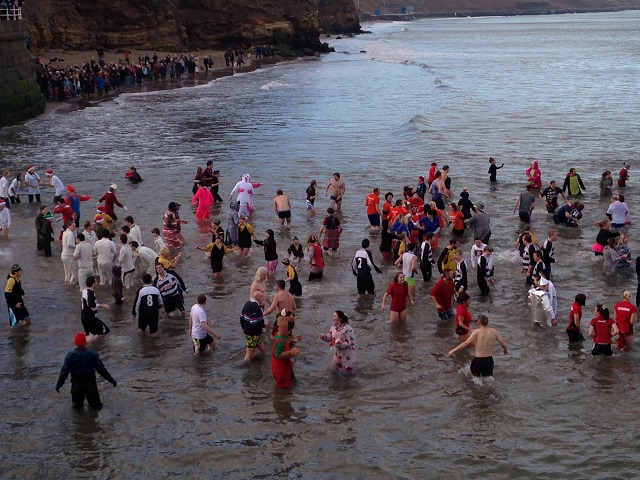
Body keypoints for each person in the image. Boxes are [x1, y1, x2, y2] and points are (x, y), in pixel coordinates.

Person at [55, 332, 117, 410]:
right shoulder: (92, 354)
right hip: (90, 385)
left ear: (75, 343)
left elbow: (64, 373)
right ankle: (94, 421)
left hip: (76, 386)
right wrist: (111, 380)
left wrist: (58, 385)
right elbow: (101, 370)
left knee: (77, 409)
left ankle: (80, 421)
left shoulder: (70, 356)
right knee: (96, 407)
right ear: (85, 343)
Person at [272, 313, 300, 388]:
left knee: (288, 383)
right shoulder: (280, 341)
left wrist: (291, 342)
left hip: (284, 365)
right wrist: (291, 352)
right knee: (283, 386)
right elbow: (278, 354)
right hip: (281, 367)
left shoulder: (281, 337)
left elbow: (285, 347)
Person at [240, 291, 267, 361]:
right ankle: (244, 366)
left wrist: (243, 327)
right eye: (262, 298)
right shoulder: (254, 306)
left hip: (254, 334)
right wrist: (261, 329)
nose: (262, 300)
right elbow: (253, 322)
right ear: (258, 298)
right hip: (253, 334)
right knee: (249, 355)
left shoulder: (247, 303)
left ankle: (264, 361)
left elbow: (241, 316)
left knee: (263, 350)